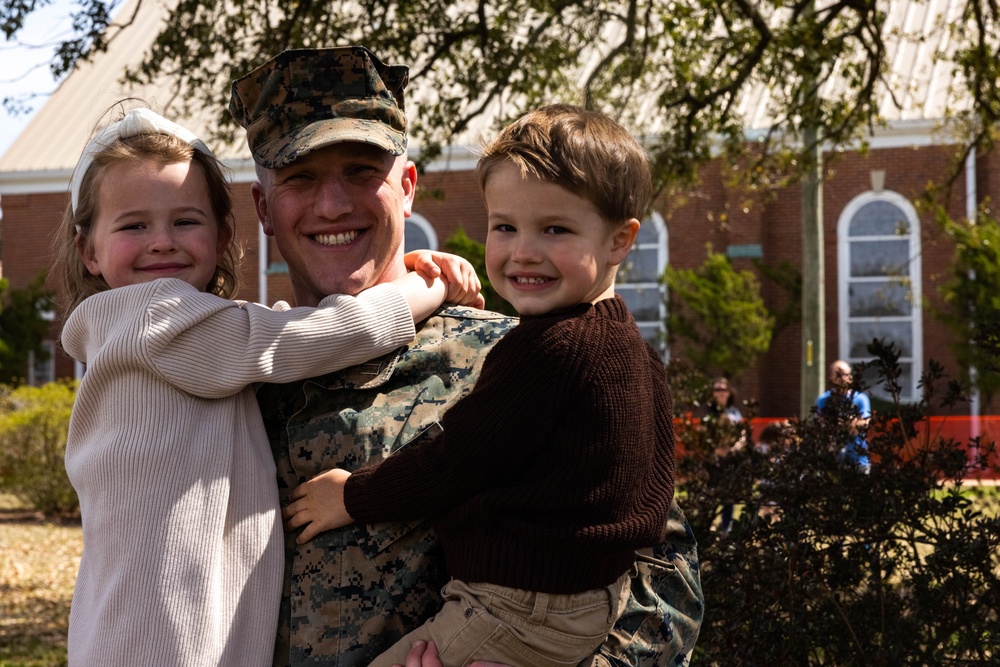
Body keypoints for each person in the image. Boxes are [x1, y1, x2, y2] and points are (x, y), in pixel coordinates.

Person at [230, 46, 704, 667]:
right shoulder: (230, 385)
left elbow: (662, 571)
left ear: (406, 187)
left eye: (359, 171)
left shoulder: (521, 354)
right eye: (299, 178)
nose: (333, 204)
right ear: (264, 209)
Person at [55, 105, 482, 667]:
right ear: (88, 250)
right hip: (155, 640)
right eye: (134, 225)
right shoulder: (145, 315)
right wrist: (422, 287)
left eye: (185, 221)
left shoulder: (199, 338)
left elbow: (274, 336)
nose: (161, 241)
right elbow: (315, 335)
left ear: (222, 233)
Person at [816, 359, 872, 472]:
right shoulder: (823, 400)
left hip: (859, 459)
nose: (842, 378)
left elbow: (864, 424)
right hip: (834, 459)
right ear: (831, 377)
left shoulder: (861, 399)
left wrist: (842, 424)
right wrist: (851, 423)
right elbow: (822, 425)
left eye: (845, 374)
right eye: (838, 375)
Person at [705, 377, 744, 535]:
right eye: (716, 390)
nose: (720, 393)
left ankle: (726, 528)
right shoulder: (710, 413)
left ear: (729, 393)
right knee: (711, 494)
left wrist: (737, 446)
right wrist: (716, 450)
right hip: (715, 459)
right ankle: (706, 526)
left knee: (729, 495)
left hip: (731, 459)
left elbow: (742, 432)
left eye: (722, 389)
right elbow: (706, 437)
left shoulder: (735, 412)